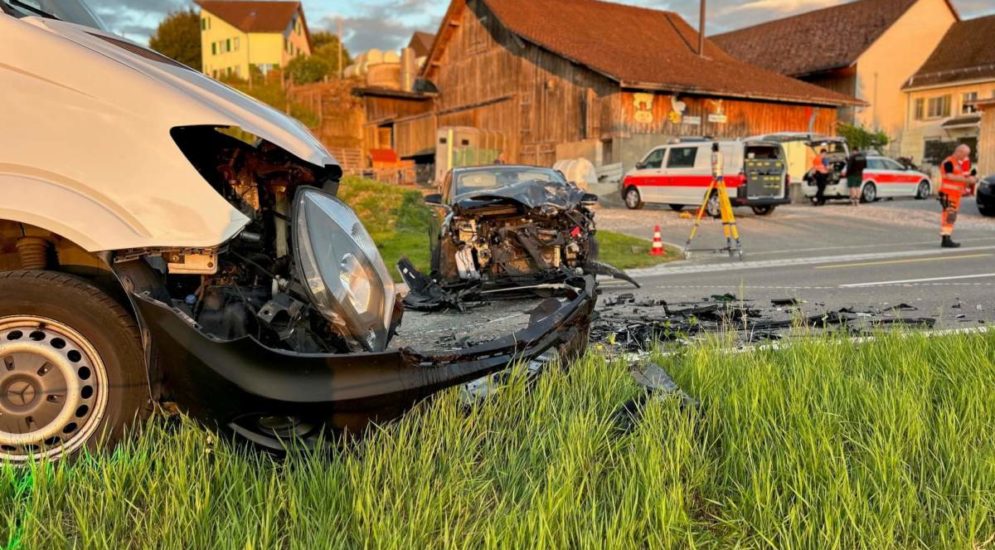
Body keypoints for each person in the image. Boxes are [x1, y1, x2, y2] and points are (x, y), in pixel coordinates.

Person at [938, 144, 978, 248]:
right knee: (949, 216)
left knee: (950, 217)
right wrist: (967, 180)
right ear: (959, 151)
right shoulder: (948, 162)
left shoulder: (956, 163)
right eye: (964, 155)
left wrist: (971, 178)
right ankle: (945, 239)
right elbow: (949, 176)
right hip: (948, 194)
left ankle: (946, 237)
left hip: (954, 195)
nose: (965, 157)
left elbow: (959, 178)